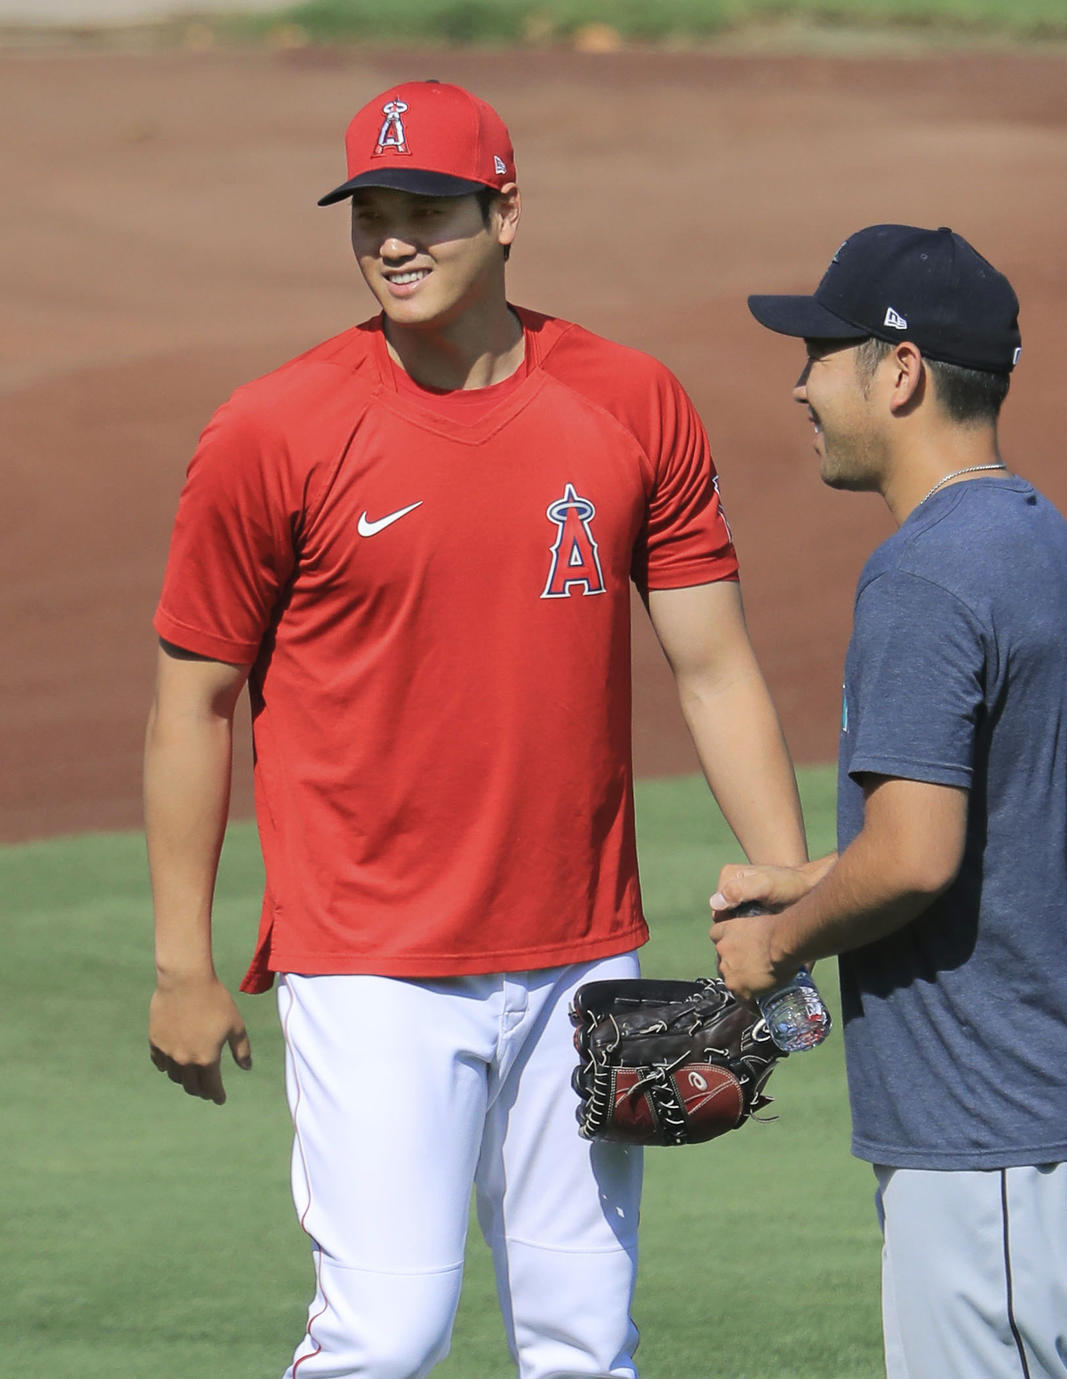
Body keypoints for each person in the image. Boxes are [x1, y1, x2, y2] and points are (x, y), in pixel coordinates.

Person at [144, 79, 806, 1379]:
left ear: (504, 213)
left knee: (584, 1344)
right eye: (370, 214)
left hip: (582, 957)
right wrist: (182, 962)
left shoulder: (631, 402)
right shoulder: (274, 429)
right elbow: (192, 700)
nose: (394, 241)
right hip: (369, 962)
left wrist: (785, 890)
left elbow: (715, 666)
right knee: (385, 1334)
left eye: (428, 211)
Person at [709, 224, 1067, 1379]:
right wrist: (811, 873)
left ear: (901, 371)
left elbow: (917, 859)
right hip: (1049, 1087)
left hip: (995, 1116)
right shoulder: (1030, 532)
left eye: (819, 354)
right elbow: (1004, 827)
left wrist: (776, 940)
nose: (799, 385)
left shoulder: (924, 572)